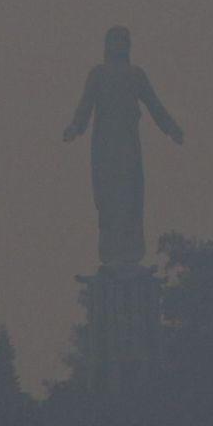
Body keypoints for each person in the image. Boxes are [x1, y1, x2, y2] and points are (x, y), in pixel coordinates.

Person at [64, 26, 183, 265]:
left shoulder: (136, 75)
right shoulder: (98, 75)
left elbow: (154, 105)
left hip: (128, 147)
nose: (118, 44)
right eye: (114, 40)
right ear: (107, 45)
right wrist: (75, 128)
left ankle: (131, 251)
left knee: (130, 198)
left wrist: (171, 127)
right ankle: (110, 251)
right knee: (108, 199)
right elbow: (84, 107)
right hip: (105, 147)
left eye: (123, 40)